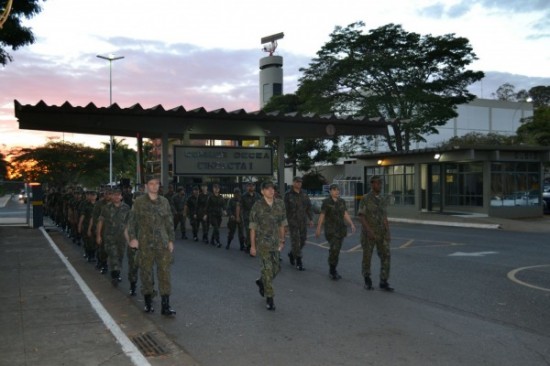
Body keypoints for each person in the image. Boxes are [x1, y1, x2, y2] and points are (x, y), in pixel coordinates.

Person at [127, 175, 176, 315]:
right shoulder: (139, 202)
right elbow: (132, 222)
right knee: (146, 273)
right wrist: (133, 238)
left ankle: (165, 305)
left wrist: (171, 240)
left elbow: (169, 222)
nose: (155, 186)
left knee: (165, 274)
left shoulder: (164, 202)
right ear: (146, 186)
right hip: (145, 244)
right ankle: (148, 302)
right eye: (151, 183)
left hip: (163, 243)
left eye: (157, 184)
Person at [249, 181, 288, 311]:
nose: (271, 191)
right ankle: (270, 299)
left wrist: (282, 240)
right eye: (268, 188)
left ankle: (261, 281)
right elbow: (253, 228)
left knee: (276, 268)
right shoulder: (257, 206)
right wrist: (253, 246)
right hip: (263, 244)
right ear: (262, 191)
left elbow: (282, 223)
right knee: (267, 269)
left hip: (276, 243)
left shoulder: (280, 204)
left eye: (272, 188)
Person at [358, 175, 394, 292]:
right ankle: (367, 279)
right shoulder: (366, 198)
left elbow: (384, 216)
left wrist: (388, 232)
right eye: (377, 183)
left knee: (386, 255)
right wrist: (369, 231)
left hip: (381, 233)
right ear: (372, 184)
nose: (380, 185)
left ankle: (384, 281)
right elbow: (362, 217)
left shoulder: (382, 199)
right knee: (367, 257)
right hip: (369, 234)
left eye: (381, 183)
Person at [315, 184, 356, 280]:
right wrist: (318, 228)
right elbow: (322, 215)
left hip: (341, 229)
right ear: (330, 191)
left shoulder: (342, 201)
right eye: (334, 190)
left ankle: (333, 267)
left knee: (336, 250)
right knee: (335, 249)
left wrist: (351, 224)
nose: (337, 191)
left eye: (338, 190)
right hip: (331, 230)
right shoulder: (326, 202)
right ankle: (332, 270)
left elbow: (345, 213)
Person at [96, 188, 131, 287]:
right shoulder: (106, 208)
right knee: (113, 255)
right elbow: (100, 221)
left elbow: (128, 224)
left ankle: (117, 272)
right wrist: (98, 235)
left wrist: (130, 238)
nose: (116, 197)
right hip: (109, 237)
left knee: (119, 256)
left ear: (121, 196)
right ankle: (114, 275)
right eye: (114, 195)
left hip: (121, 237)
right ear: (112, 196)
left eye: (118, 195)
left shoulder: (126, 208)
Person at [284, 176, 314, 271]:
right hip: (292, 222)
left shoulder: (304, 194)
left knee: (303, 240)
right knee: (296, 241)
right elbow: (284, 210)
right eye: (297, 182)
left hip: (302, 222)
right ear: (293, 183)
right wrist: (284, 224)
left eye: (300, 182)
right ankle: (299, 261)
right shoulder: (288, 195)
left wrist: (311, 219)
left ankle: (292, 254)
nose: (299, 184)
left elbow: (309, 207)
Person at [240, 182, 261, 253]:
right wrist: (240, 216)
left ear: (254, 187)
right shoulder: (243, 196)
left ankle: (251, 244)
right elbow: (240, 207)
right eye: (249, 186)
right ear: (247, 187)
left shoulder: (258, 196)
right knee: (249, 232)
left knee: (256, 233)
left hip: (256, 218)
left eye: (252, 186)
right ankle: (249, 246)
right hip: (247, 217)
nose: (251, 187)